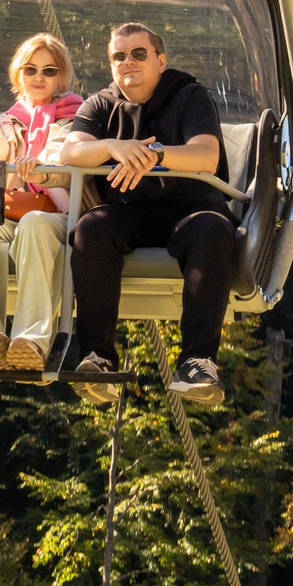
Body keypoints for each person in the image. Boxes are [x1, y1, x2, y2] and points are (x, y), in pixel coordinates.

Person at [57, 23, 233, 407]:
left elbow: (206, 154)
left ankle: (198, 360)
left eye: (138, 54)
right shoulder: (100, 105)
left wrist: (155, 156)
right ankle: (97, 356)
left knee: (213, 230)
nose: (128, 63)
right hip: (130, 210)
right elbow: (71, 152)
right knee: (91, 228)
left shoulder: (190, 95)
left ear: (160, 60)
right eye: (119, 56)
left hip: (190, 207)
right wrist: (116, 146)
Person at [0, 33, 83, 372]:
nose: (39, 78)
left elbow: (65, 152)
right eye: (30, 69)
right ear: (18, 75)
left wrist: (43, 170)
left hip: (57, 216)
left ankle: (32, 341)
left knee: (36, 223)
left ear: (61, 76)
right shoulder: (10, 120)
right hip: (13, 214)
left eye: (49, 71)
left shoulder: (75, 117)